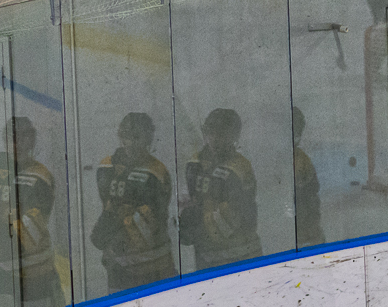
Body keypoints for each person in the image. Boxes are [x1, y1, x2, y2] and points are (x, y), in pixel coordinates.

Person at [0, 116, 65, 307]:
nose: (17, 143)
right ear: (4, 139)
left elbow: (28, 235)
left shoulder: (40, 177)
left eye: (24, 137)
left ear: (32, 140)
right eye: (12, 137)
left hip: (36, 279)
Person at [91, 112, 175, 293]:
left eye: (137, 137)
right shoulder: (106, 168)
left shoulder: (157, 172)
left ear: (148, 138)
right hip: (119, 268)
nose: (130, 142)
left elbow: (154, 220)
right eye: (126, 136)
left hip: (155, 267)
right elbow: (109, 207)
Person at [182, 107, 262, 271]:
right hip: (206, 259)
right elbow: (190, 202)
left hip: (242, 258)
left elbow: (239, 216)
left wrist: (198, 219)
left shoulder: (240, 167)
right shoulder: (193, 165)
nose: (215, 139)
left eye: (223, 134)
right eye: (211, 133)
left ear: (234, 136)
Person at [292, 107, 325, 247]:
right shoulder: (288, 159)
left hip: (307, 233)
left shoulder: (302, 160)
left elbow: (312, 193)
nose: (297, 136)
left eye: (298, 131)